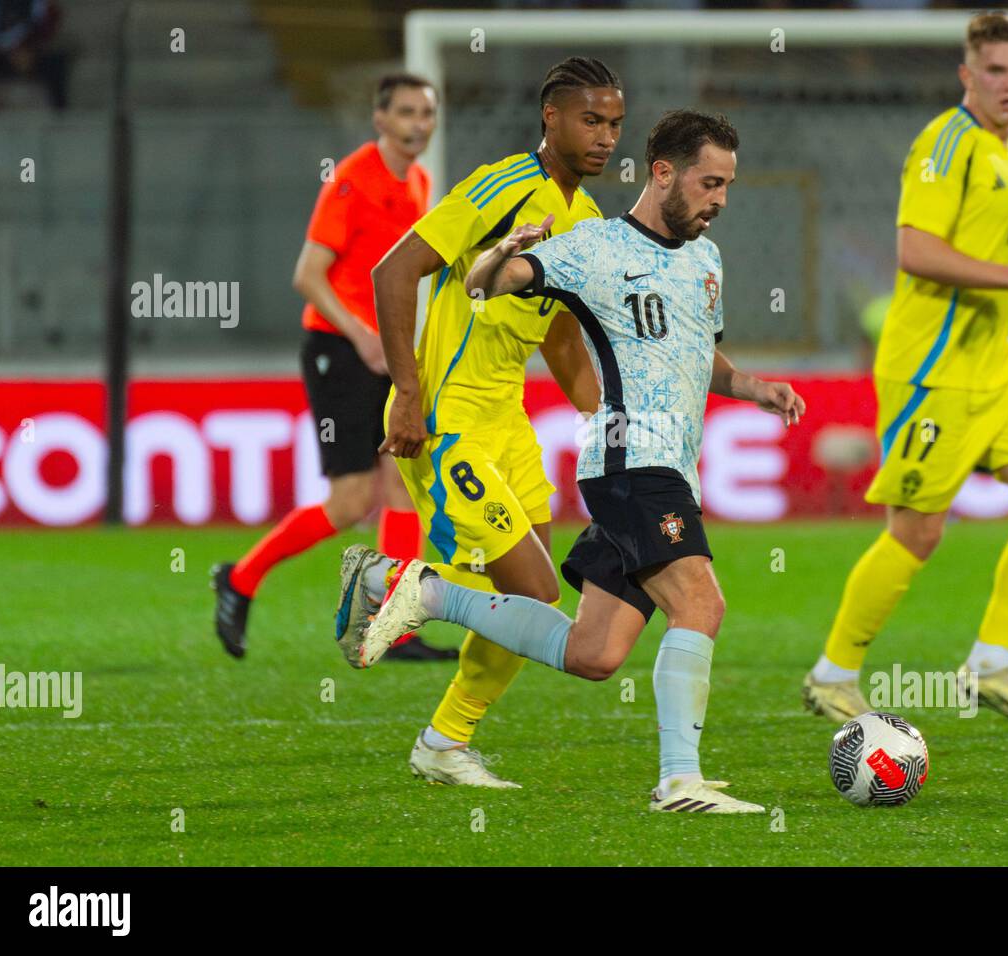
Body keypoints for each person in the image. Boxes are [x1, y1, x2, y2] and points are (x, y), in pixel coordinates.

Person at [343, 110, 806, 814]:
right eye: (710, 183)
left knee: (594, 654)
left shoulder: (707, 261)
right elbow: (487, 285)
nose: (720, 200)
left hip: (671, 467)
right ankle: (680, 782)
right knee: (701, 603)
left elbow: (692, 351)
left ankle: (428, 595)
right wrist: (503, 253)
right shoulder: (594, 246)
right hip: (631, 461)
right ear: (663, 173)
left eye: (727, 186)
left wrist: (750, 386)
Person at [334, 57, 622, 788]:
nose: (605, 136)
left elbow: (558, 337)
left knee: (523, 600)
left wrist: (612, 413)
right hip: (450, 417)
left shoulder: (585, 221)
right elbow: (393, 271)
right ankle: (391, 583)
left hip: (510, 424)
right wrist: (405, 390)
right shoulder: (500, 186)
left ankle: (443, 742)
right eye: (591, 120)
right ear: (550, 118)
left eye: (615, 123)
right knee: (532, 593)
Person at [802, 12, 1008, 723]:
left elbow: (976, 252)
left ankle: (990, 665)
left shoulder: (1006, 150)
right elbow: (916, 252)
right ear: (968, 75)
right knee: (918, 533)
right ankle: (832, 674)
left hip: (994, 365)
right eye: (996, 70)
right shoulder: (946, 141)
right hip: (934, 368)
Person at [211, 74, 453, 662]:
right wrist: (362, 335)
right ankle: (240, 579)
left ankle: (392, 624)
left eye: (427, 112)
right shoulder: (351, 180)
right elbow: (308, 275)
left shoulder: (418, 181)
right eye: (406, 112)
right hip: (338, 350)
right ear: (380, 118)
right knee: (349, 502)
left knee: (401, 479)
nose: (419, 123)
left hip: (383, 349)